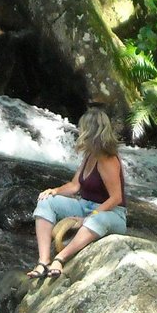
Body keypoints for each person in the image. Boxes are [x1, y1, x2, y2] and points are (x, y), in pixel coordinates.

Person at [28, 106, 127, 280]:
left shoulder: (108, 159)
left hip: (112, 213)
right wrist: (55, 191)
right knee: (46, 202)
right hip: (84, 205)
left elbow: (116, 198)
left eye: (82, 128)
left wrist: (90, 216)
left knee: (96, 219)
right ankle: (43, 261)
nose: (79, 131)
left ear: (91, 131)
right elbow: (75, 186)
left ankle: (60, 258)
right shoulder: (90, 155)